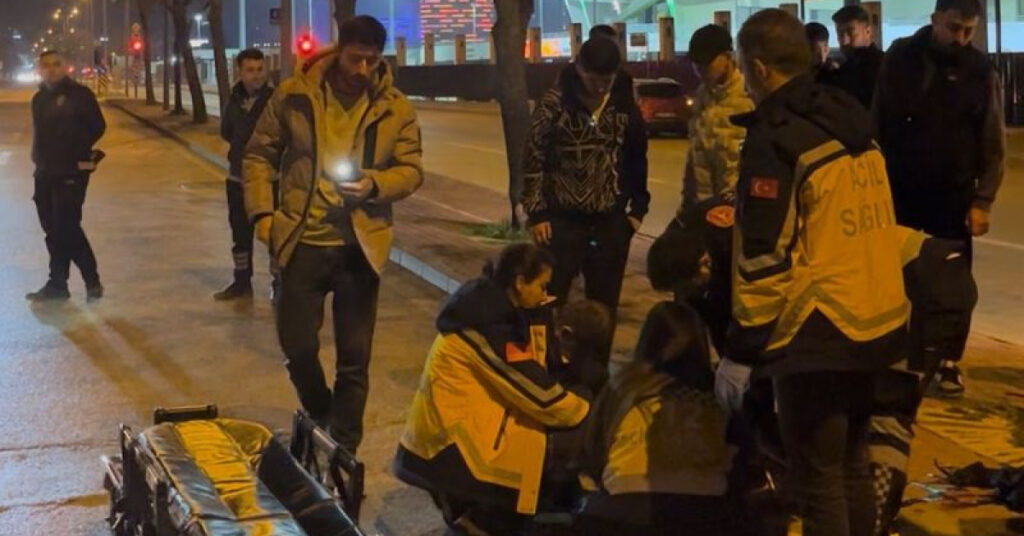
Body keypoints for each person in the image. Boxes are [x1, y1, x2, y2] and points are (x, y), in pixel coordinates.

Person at [729, 9, 910, 536]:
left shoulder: (777, 139)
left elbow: (765, 257)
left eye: (742, 68)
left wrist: (743, 351)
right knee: (852, 466)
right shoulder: (848, 118)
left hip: (819, 330)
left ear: (759, 68)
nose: (743, 81)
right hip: (875, 319)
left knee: (819, 481)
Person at [243, 15, 423, 453]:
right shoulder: (295, 94)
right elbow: (258, 155)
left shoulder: (394, 106)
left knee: (354, 360)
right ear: (339, 51)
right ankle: (322, 413)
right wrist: (263, 217)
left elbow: (412, 169)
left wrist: (374, 185)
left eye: (371, 61)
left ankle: (344, 449)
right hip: (302, 239)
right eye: (355, 58)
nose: (362, 69)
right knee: (298, 347)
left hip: (360, 246)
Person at [393, 243, 591, 535]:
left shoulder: (492, 309)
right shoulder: (487, 326)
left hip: (447, 439)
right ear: (520, 283)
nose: (546, 294)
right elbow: (539, 394)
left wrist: (538, 317)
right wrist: (588, 412)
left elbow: (536, 367)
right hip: (451, 450)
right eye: (541, 286)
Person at [873, 0, 1005, 398]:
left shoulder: (980, 70)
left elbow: (992, 139)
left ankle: (948, 360)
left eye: (968, 31)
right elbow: (878, 120)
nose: (960, 38)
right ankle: (899, 353)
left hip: (953, 196)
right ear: (934, 20)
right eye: (953, 28)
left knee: (951, 285)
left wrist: (983, 200)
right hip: (899, 191)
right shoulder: (900, 58)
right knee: (897, 277)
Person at [577, 301, 742, 535]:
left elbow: (595, 447)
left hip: (626, 502)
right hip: (706, 505)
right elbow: (740, 453)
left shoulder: (625, 384)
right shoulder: (715, 390)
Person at [522, 37, 649, 319]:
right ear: (580, 69)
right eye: (594, 79)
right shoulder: (554, 104)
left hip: (610, 222)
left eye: (607, 80)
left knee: (603, 311)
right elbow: (533, 158)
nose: (601, 87)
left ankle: (596, 351)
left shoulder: (623, 105)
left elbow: (637, 158)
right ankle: (548, 348)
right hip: (560, 222)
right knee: (548, 303)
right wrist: (537, 212)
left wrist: (636, 212)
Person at [27, 50, 105, 303]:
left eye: (56, 64)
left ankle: (91, 280)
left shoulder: (80, 95)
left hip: (71, 172)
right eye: (46, 65)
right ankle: (57, 285)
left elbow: (98, 126)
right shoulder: (39, 99)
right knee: (52, 230)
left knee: (67, 227)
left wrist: (75, 149)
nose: (51, 69)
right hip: (45, 172)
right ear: (40, 69)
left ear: (65, 67)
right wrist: (37, 157)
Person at [215, 48, 275, 301]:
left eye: (260, 69)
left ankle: (279, 282)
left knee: (274, 234)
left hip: (268, 181)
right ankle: (241, 281)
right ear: (239, 72)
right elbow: (226, 132)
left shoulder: (275, 101)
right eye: (250, 70)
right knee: (240, 234)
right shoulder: (233, 100)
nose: (256, 75)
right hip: (237, 178)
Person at [679, 24, 754, 218]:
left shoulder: (749, 98)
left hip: (736, 212)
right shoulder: (702, 97)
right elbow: (694, 159)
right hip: (703, 210)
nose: (700, 70)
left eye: (706, 63)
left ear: (728, 57)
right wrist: (687, 205)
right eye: (696, 64)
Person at [819, 5, 884, 109]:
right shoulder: (844, 67)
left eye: (851, 33)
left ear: (868, 31)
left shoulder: (882, 67)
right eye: (840, 34)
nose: (845, 41)